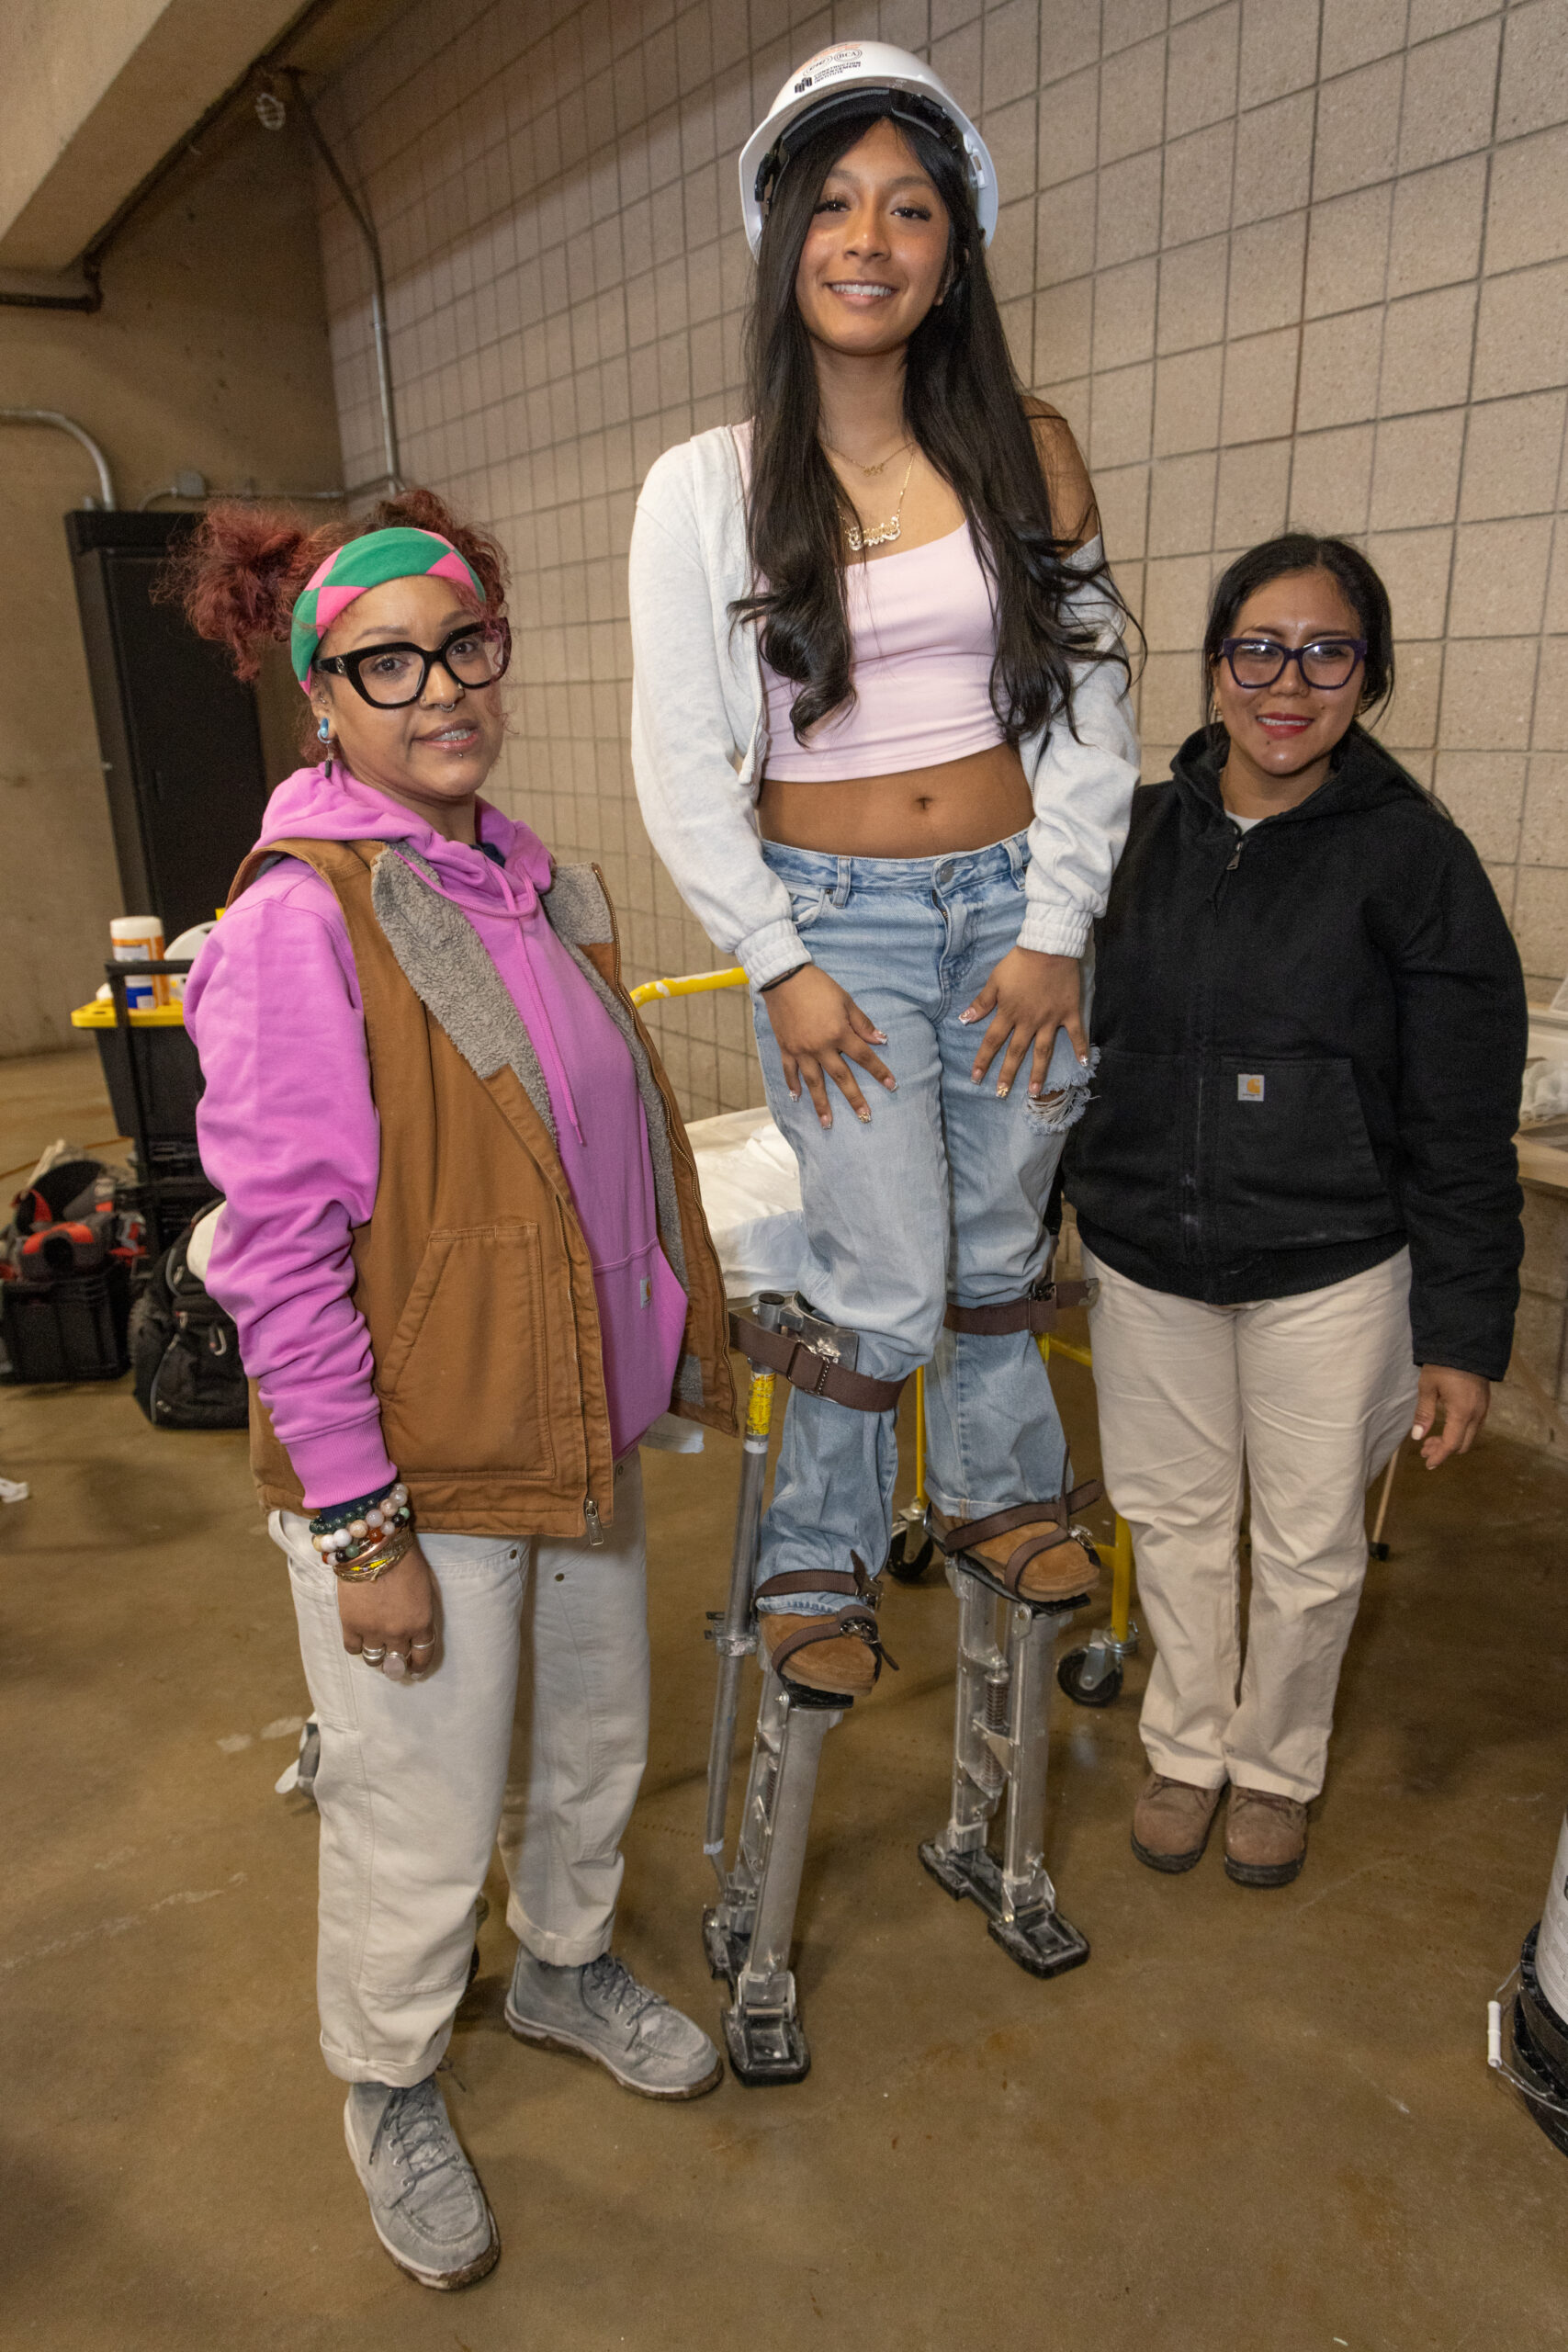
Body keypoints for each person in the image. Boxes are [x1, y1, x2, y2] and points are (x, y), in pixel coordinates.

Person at [178, 492, 736, 2290]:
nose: (440, 688)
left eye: (463, 644)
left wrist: (679, 1336)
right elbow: (277, 1253)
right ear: (319, 696)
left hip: (566, 1426)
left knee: (590, 1741)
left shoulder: (530, 878)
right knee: (413, 1803)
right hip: (415, 1465)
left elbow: (594, 1157)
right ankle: (392, 2077)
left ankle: (564, 1965)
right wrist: (361, 1526)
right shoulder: (300, 916)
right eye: (387, 664)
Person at [628, 43, 1139, 1693]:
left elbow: (1093, 704)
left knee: (997, 1239)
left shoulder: (1026, 451)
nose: (870, 239)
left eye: (909, 209)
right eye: (836, 204)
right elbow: (679, 757)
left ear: (954, 251)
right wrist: (776, 962)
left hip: (1014, 905)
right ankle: (818, 1554)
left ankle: (996, 1489)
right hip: (835, 926)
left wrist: (1057, 923)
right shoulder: (703, 488)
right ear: (782, 239)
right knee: (883, 1266)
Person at [1067, 534, 1527, 1888]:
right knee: (1172, 1522)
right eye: (1258, 649)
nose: (1288, 683)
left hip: (1332, 1269)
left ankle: (1274, 1768)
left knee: (1311, 1544)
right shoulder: (1130, 837)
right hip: (1149, 1255)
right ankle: (1185, 1749)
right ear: (1215, 667)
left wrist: (1463, 1335)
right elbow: (1058, 1042)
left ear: (1366, 678)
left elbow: (1461, 1122)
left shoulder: (1414, 859)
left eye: (1328, 654)